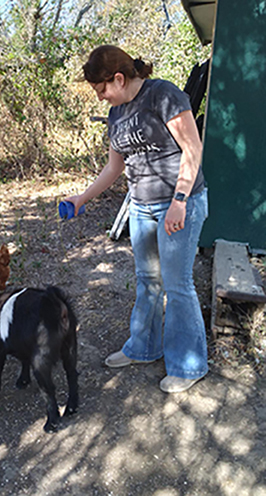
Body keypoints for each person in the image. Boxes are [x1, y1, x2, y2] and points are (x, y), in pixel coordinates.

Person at [66, 45, 208, 393]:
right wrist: (82, 197)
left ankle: (188, 365)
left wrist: (179, 200)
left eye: (102, 90)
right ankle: (144, 347)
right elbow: (115, 167)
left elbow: (193, 148)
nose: (100, 98)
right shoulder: (116, 114)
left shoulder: (163, 95)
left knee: (177, 286)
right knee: (148, 280)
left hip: (179, 203)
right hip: (142, 206)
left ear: (118, 77)